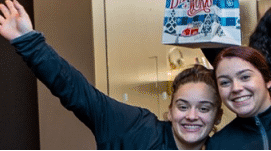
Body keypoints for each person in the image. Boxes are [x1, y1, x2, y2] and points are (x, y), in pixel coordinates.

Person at [1, 3, 222, 148]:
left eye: (203, 108)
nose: (191, 116)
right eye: (183, 106)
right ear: (170, 112)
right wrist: (30, 42)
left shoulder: (230, 144)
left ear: (217, 117)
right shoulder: (136, 129)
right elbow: (77, 92)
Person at [208, 47, 271, 150]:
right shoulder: (218, 144)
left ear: (267, 80)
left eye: (245, 77)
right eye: (225, 82)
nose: (236, 88)